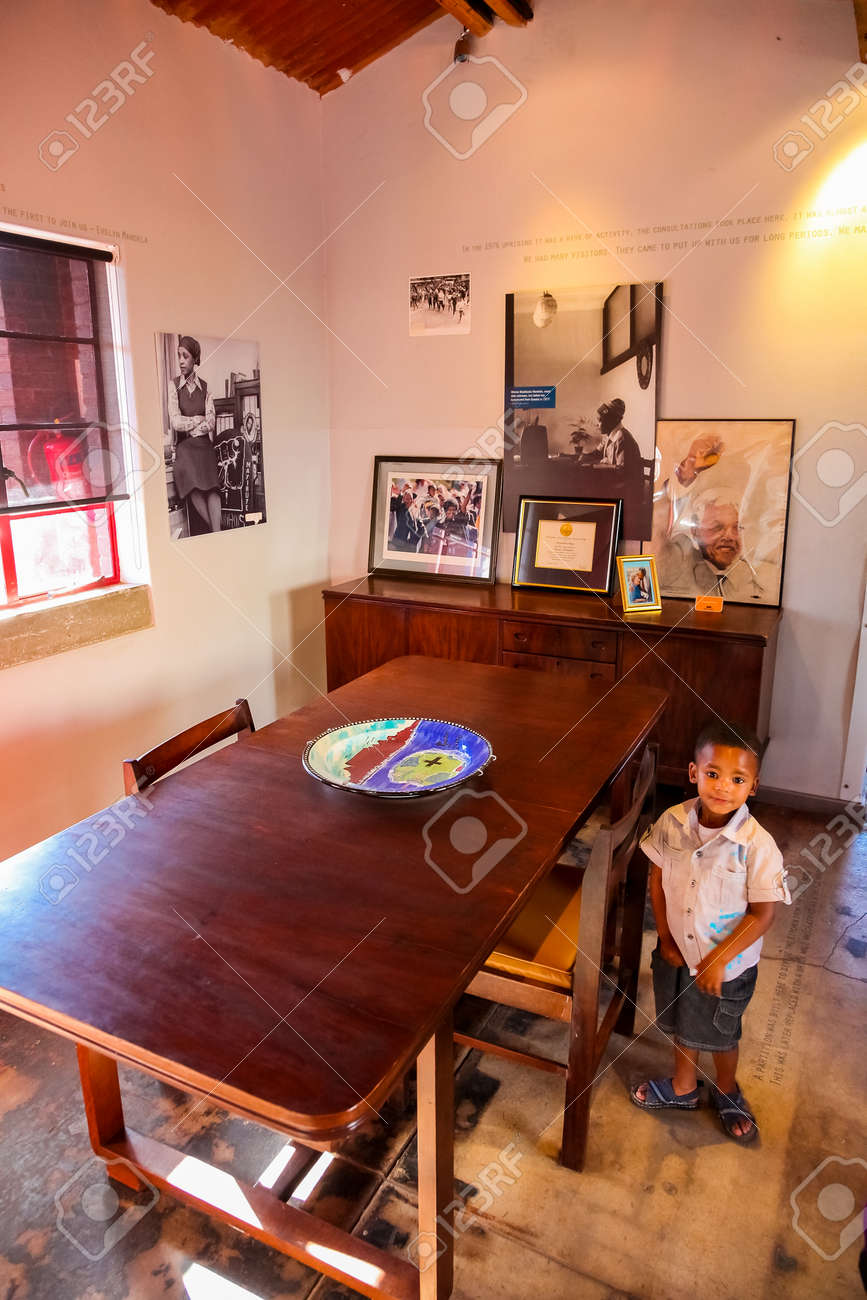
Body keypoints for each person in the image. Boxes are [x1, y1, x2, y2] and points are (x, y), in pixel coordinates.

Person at [630, 720, 790, 1144]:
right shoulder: (672, 821)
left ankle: (726, 1088)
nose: (723, 787)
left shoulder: (758, 846)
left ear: (752, 786)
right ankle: (683, 1088)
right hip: (678, 953)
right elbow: (656, 879)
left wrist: (718, 958)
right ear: (693, 773)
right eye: (713, 774)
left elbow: (762, 915)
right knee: (684, 1024)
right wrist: (664, 937)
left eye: (737, 779)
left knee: (720, 1035)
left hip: (728, 968)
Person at [651, 433, 776, 600]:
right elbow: (655, 527)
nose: (729, 536)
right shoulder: (679, 560)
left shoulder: (761, 577)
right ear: (695, 531)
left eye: (736, 527)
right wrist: (687, 472)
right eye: (717, 527)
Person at [168, 335, 222, 533]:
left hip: (204, 447)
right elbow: (175, 421)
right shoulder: (173, 386)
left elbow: (211, 422)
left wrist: (191, 424)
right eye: (179, 356)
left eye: (186, 356)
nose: (181, 361)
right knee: (192, 487)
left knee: (212, 488)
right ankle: (216, 531)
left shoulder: (206, 388)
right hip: (185, 449)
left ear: (195, 359)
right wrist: (196, 420)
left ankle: (217, 533)